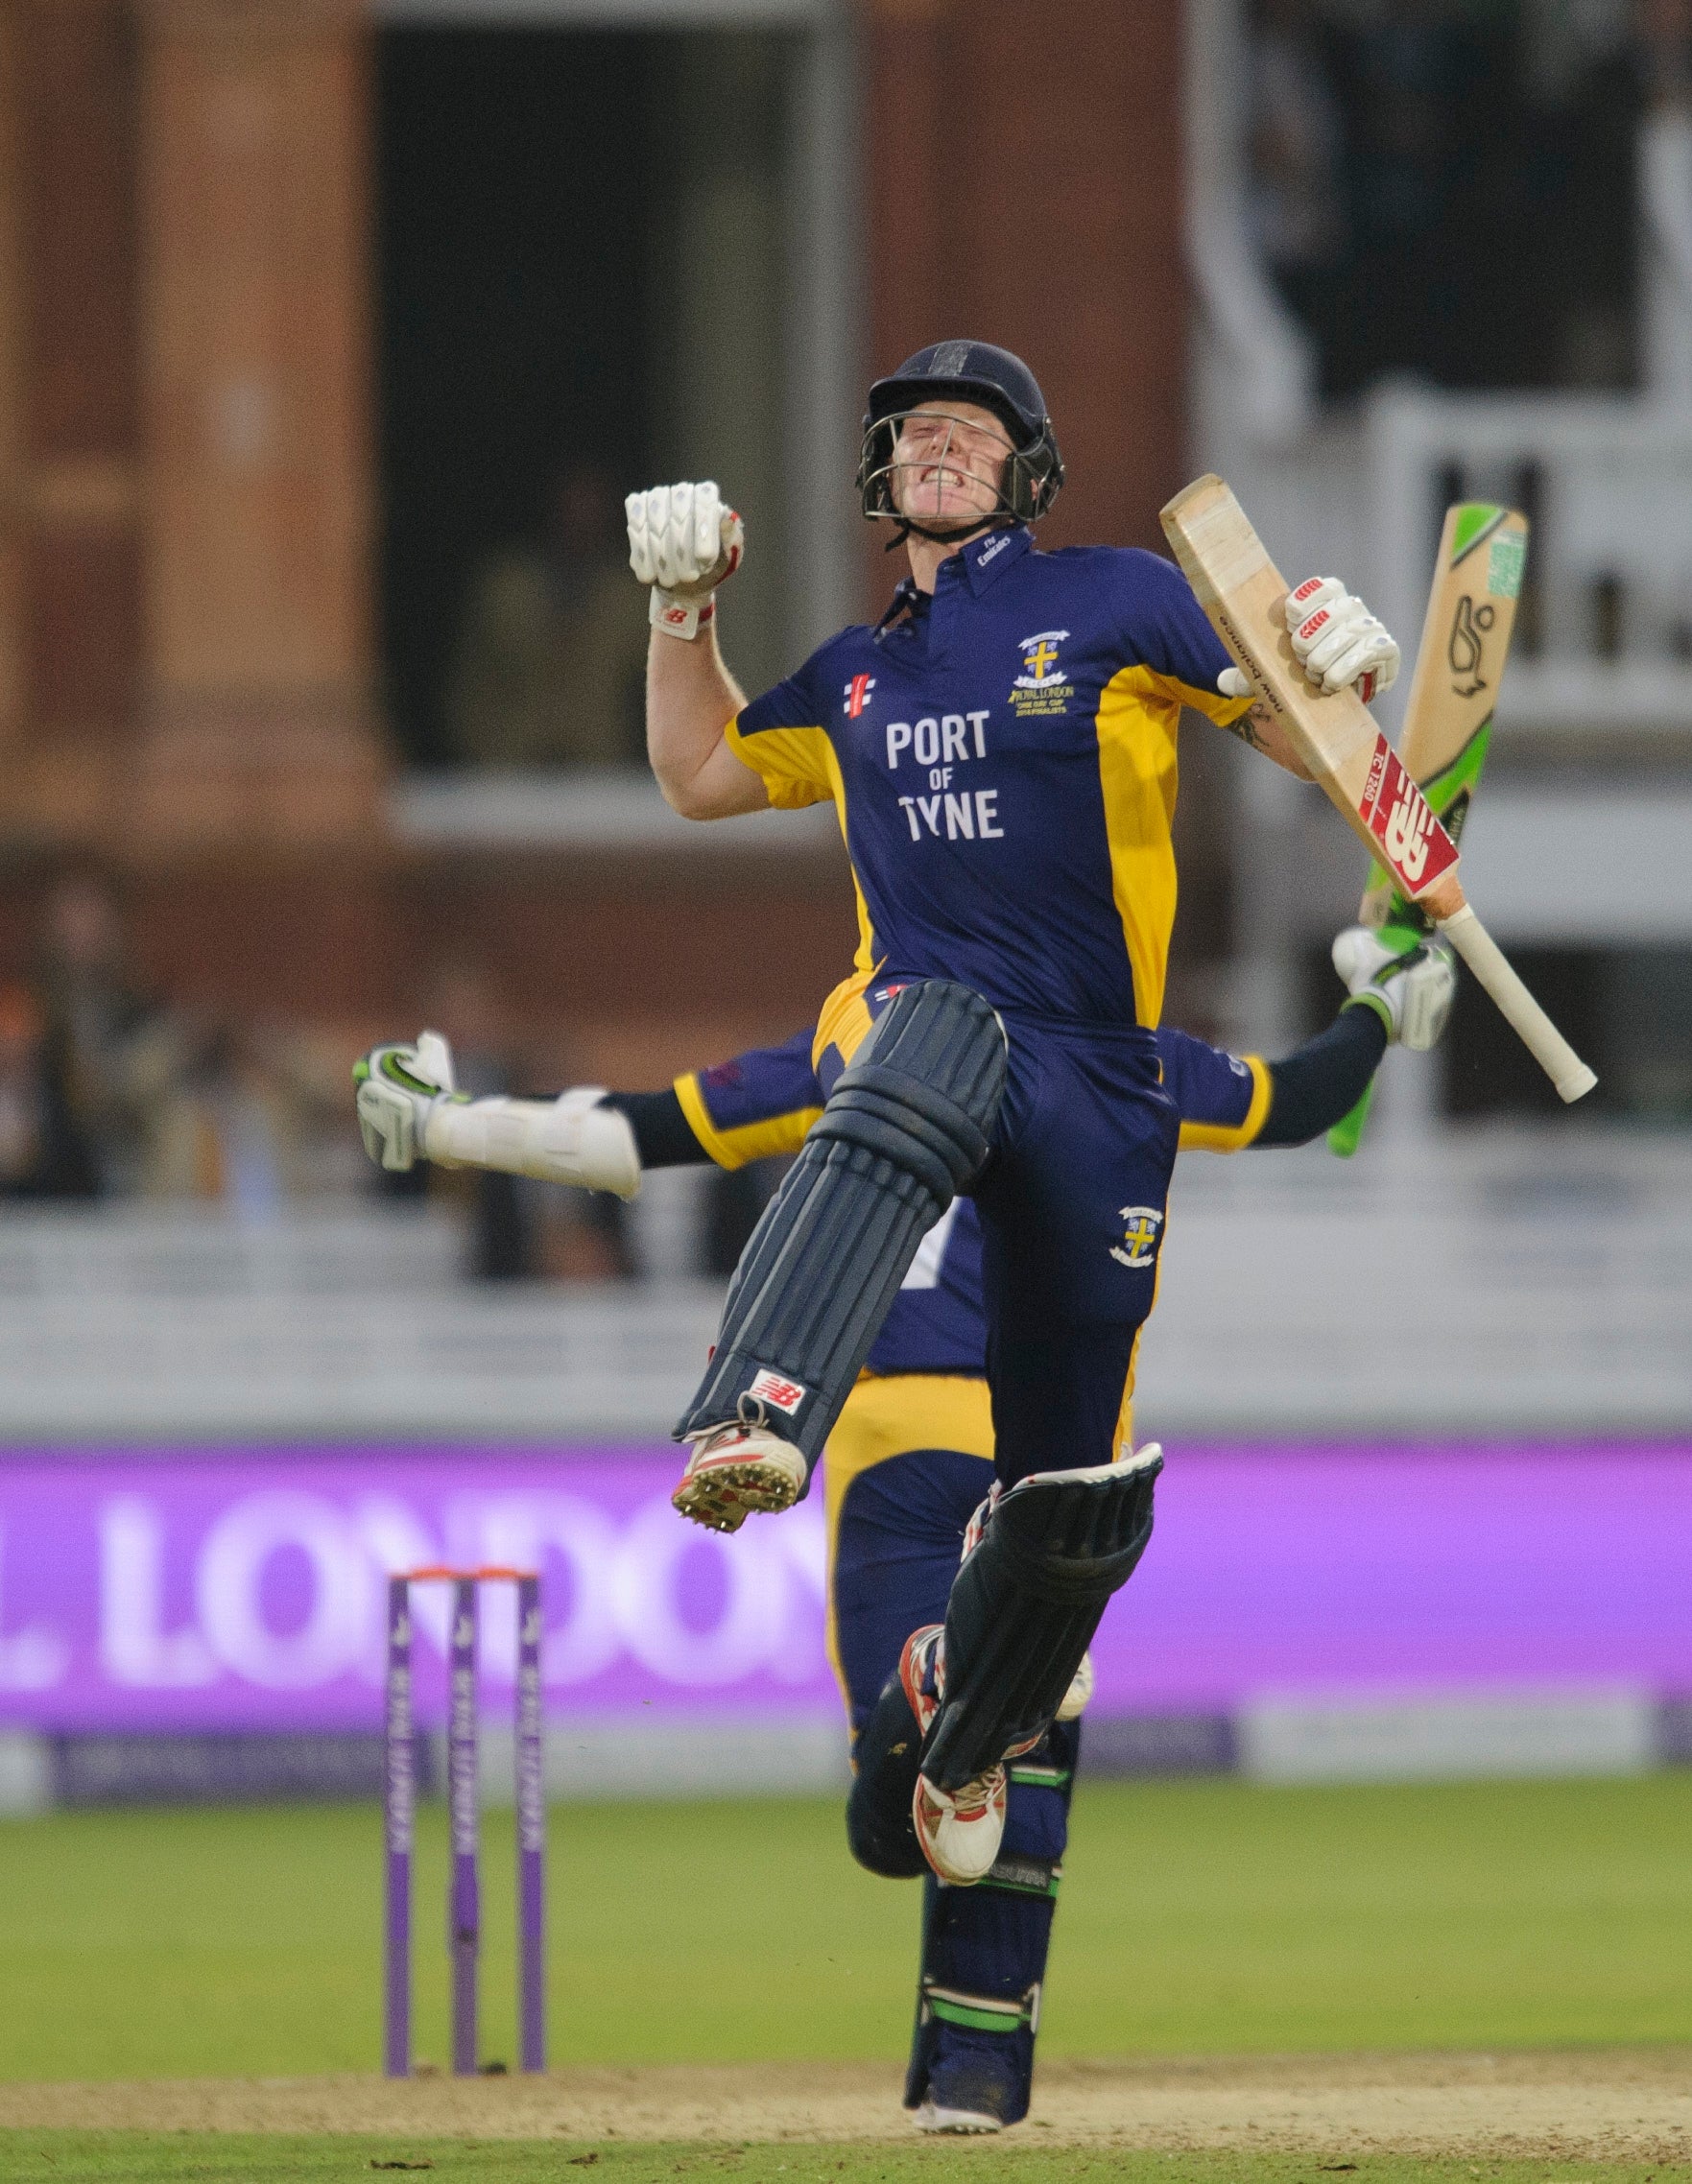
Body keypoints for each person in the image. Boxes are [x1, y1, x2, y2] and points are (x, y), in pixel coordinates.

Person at [353, 922, 1454, 2135]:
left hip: (889, 1447)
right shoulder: (1124, 1052)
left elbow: (623, 1132)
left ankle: (937, 1702)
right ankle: (974, 2077)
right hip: (1050, 1453)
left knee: (892, 1816)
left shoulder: (860, 1035)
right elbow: (1297, 1100)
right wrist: (1379, 1007)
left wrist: (443, 1122)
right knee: (1012, 1755)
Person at [618, 340, 1404, 1886]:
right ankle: (758, 1410)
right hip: (949, 1034)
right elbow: (699, 770)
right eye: (914, 431)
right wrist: (679, 610)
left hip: (1101, 1075)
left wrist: (1332, 654)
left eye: (972, 432)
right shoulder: (853, 675)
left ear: (1027, 469)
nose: (937, 448)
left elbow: (1288, 727)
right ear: (878, 474)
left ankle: (965, 1731)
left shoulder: (1111, 599)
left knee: (1071, 1501)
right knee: (911, 1050)